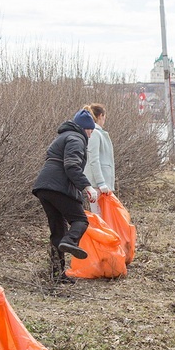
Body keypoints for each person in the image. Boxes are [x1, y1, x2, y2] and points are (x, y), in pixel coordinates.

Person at [32, 109, 100, 284]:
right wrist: (87, 187)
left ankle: (57, 274)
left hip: (43, 187)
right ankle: (70, 241)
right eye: (91, 130)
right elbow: (71, 166)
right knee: (80, 221)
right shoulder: (76, 139)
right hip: (58, 187)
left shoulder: (63, 136)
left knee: (57, 231)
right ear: (85, 128)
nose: (91, 134)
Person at [83, 103, 115, 214]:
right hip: (97, 184)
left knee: (104, 216)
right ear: (101, 116)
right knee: (99, 216)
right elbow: (93, 160)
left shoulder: (97, 133)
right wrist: (101, 183)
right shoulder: (95, 133)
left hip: (100, 184)